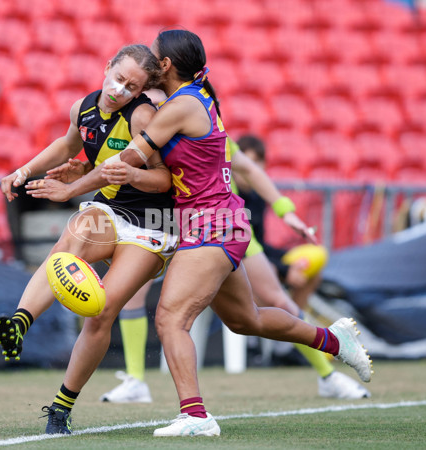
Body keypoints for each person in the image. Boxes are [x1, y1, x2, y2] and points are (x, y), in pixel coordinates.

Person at [32, 29, 373, 437]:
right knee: (247, 320)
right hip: (214, 223)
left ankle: (195, 416)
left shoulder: (181, 105)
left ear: (166, 66)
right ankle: (335, 341)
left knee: (170, 318)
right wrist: (86, 166)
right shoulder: (188, 98)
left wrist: (71, 187)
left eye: (152, 57)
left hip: (212, 224)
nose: (145, 59)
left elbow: (124, 162)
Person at [0, 44, 178, 434]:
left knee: (101, 312)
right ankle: (20, 323)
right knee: (68, 241)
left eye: (131, 86)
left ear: (142, 91)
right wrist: (22, 171)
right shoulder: (84, 107)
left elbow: (164, 179)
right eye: (118, 78)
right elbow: (67, 144)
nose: (120, 90)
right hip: (109, 212)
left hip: (149, 225)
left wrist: (129, 176)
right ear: (107, 67)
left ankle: (60, 408)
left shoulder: (144, 115)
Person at [99, 137, 370, 404]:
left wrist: (284, 209)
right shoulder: (144, 126)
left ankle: (328, 375)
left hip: (220, 225)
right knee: (140, 298)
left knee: (273, 300)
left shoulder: (200, 128)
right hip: (168, 225)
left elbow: (250, 169)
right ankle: (137, 381)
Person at [235, 134, 323, 310]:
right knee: (272, 273)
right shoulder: (230, 196)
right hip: (236, 260)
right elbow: (243, 247)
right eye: (248, 161)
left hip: (255, 252)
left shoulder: (258, 197)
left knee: (312, 270)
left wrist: (288, 265)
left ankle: (293, 327)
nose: (252, 168)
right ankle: (261, 329)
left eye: (258, 162)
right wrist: (282, 269)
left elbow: (258, 242)